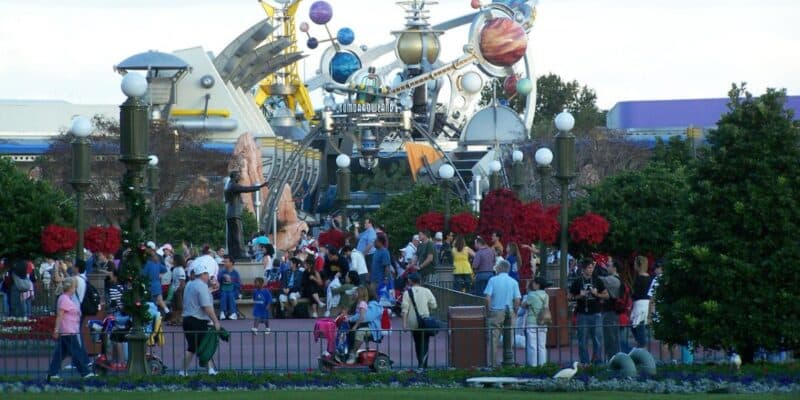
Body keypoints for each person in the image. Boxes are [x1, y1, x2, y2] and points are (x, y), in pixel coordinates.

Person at [47, 277, 95, 381]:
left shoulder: (65, 298)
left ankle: (52, 373)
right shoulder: (64, 299)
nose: (75, 289)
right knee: (76, 352)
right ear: (70, 288)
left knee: (59, 354)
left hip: (69, 330)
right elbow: (60, 316)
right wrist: (56, 329)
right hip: (68, 330)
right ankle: (85, 372)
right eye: (74, 287)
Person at [180, 262, 222, 376]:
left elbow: (197, 295)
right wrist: (216, 321)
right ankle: (184, 371)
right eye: (207, 273)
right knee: (200, 346)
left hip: (187, 319)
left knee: (196, 346)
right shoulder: (201, 286)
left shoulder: (190, 284)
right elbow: (206, 306)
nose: (208, 276)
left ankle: (209, 370)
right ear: (203, 274)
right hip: (197, 320)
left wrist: (210, 289)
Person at [483, 259, 521, 367]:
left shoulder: (493, 280)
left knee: (493, 338)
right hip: (509, 310)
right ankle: (508, 360)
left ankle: (493, 363)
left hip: (496, 311)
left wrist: (489, 309)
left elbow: (487, 297)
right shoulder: (514, 282)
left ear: (500, 268)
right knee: (509, 338)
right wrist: (515, 311)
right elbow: (517, 299)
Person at [570, 259, 607, 365]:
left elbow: (606, 295)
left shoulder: (597, 280)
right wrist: (579, 295)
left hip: (596, 313)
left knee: (597, 339)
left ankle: (597, 361)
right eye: (589, 268)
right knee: (582, 340)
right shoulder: (577, 282)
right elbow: (569, 297)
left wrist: (596, 294)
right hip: (582, 313)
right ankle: (585, 362)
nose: (591, 270)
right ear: (583, 269)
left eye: (592, 267)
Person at [224, 170, 268, 260]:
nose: (239, 177)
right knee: (238, 234)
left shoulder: (228, 186)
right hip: (235, 213)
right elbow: (246, 189)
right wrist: (260, 186)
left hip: (230, 214)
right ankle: (240, 253)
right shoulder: (234, 186)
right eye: (238, 176)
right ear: (234, 177)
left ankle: (233, 253)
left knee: (231, 235)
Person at [401, 272, 437, 369]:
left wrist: (404, 324)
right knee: (425, 343)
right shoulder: (427, 291)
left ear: (410, 281)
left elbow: (405, 310)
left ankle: (420, 362)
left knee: (417, 342)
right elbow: (434, 305)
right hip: (425, 321)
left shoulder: (407, 293)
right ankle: (423, 364)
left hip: (413, 322)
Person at [344, 286, 383, 364]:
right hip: (364, 326)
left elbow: (366, 317)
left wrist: (351, 319)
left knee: (359, 332)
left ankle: (353, 353)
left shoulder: (373, 304)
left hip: (372, 329)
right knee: (349, 332)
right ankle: (347, 352)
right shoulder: (362, 303)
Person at [522, 277, 549, 367]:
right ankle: (542, 365)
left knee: (532, 345)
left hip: (532, 321)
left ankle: (533, 365)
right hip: (543, 321)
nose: (533, 284)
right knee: (542, 346)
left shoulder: (531, 295)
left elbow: (524, 305)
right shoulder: (546, 295)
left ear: (538, 285)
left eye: (534, 283)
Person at [598, 260, 622, 359]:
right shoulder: (615, 279)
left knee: (610, 338)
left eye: (608, 266)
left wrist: (596, 268)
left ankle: (613, 360)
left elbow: (599, 279)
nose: (607, 267)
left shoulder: (613, 280)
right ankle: (613, 358)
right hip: (611, 312)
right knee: (612, 338)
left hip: (610, 312)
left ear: (614, 268)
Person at [631, 256, 652, 348]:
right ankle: (641, 344)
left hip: (640, 304)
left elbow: (636, 293)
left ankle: (641, 346)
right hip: (645, 303)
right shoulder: (649, 278)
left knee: (638, 325)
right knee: (637, 325)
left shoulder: (639, 278)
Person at [217, 255, 241, 320]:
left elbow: (238, 285)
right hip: (223, 290)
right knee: (224, 294)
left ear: (231, 263)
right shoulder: (222, 272)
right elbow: (218, 282)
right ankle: (223, 312)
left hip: (233, 291)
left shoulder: (235, 273)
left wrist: (231, 281)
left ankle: (233, 313)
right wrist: (222, 279)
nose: (224, 263)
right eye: (224, 262)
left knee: (230, 294)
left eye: (226, 262)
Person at [167, 254, 187, 326]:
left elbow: (182, 282)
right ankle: (174, 319)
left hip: (178, 290)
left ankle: (179, 319)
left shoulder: (180, 270)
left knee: (179, 306)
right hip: (175, 289)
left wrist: (179, 289)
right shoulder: (175, 269)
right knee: (174, 306)